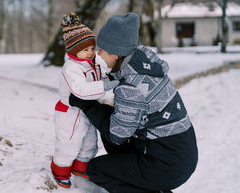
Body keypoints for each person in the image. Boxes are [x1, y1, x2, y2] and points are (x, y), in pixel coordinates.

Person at [68, 13, 198, 193]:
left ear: (116, 53)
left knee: (97, 169)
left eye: (102, 50)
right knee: (110, 125)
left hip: (167, 165)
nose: (98, 54)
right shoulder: (143, 66)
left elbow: (117, 135)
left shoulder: (131, 86)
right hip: (178, 154)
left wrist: (85, 103)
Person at [51, 13, 119, 188]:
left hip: (87, 109)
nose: (90, 53)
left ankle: (81, 166)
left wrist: (108, 78)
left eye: (92, 48)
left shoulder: (91, 61)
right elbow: (80, 90)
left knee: (90, 141)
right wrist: (105, 86)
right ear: (74, 50)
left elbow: (100, 74)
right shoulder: (71, 68)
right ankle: (60, 169)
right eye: (85, 50)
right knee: (69, 143)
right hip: (70, 113)